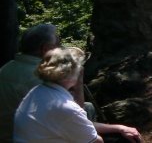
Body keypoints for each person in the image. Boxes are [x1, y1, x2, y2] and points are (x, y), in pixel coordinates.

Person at [13, 47, 142, 143]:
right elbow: (96, 141)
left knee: (119, 132)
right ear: (71, 72)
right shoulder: (65, 107)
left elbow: (81, 123)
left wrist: (119, 127)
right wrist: (79, 83)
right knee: (127, 140)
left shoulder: (36, 92)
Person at [0, 24, 61, 143]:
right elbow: (65, 119)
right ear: (45, 49)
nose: (60, 48)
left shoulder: (5, 68)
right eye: (58, 43)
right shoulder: (43, 78)